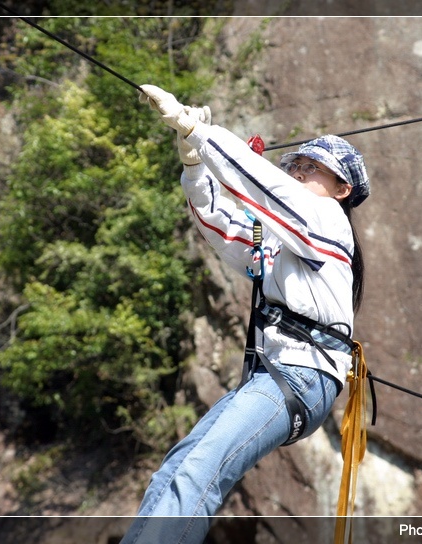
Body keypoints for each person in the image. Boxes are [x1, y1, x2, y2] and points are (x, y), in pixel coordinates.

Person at [121, 84, 371, 544]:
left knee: (199, 472)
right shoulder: (282, 241)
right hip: (275, 374)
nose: (297, 172)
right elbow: (223, 226)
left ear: (342, 190)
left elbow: (265, 189)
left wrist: (199, 131)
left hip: (302, 374)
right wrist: (195, 166)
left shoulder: (326, 221)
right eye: (294, 164)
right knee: (174, 471)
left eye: (311, 169)